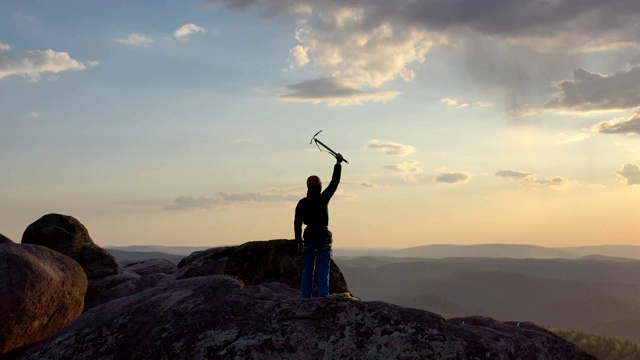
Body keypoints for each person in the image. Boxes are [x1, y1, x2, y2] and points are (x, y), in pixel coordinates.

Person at [294, 153, 344, 298]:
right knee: (323, 268)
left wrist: (298, 241)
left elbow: (297, 222)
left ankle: (305, 297)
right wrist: (338, 163)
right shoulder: (323, 198)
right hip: (323, 236)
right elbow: (334, 183)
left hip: (309, 236)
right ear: (320, 186)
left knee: (307, 268)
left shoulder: (302, 203)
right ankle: (323, 297)